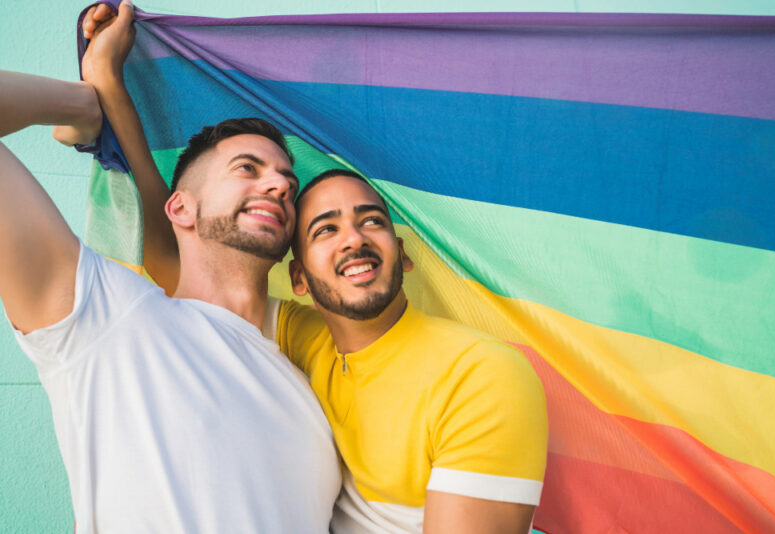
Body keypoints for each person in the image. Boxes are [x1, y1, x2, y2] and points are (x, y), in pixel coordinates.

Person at [81, 3, 548, 533]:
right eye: (324, 229)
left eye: (371, 221)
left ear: (404, 256)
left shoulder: (479, 373)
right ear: (299, 278)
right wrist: (109, 90)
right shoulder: (303, 341)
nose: (353, 238)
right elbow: (177, 257)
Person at [0, 4, 340, 533]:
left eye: (288, 185)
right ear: (180, 207)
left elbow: (167, 259)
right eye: (248, 169)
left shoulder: (314, 383)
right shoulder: (106, 320)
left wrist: (110, 90)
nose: (279, 184)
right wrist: (87, 102)